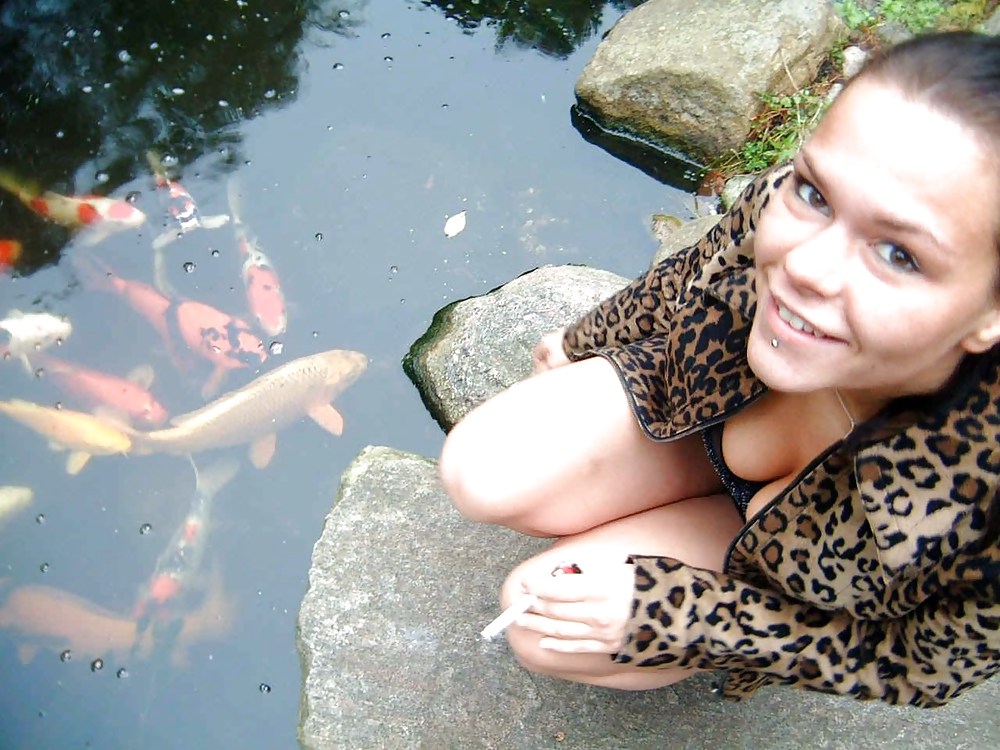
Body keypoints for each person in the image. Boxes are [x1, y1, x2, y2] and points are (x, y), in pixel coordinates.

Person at [438, 30, 1000, 706]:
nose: (805, 266)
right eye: (815, 195)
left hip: (766, 569)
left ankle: (682, 539)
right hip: (691, 407)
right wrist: (585, 340)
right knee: (481, 470)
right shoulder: (803, 202)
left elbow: (922, 666)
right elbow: (690, 272)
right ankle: (648, 496)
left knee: (543, 621)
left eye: (898, 255)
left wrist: (695, 616)